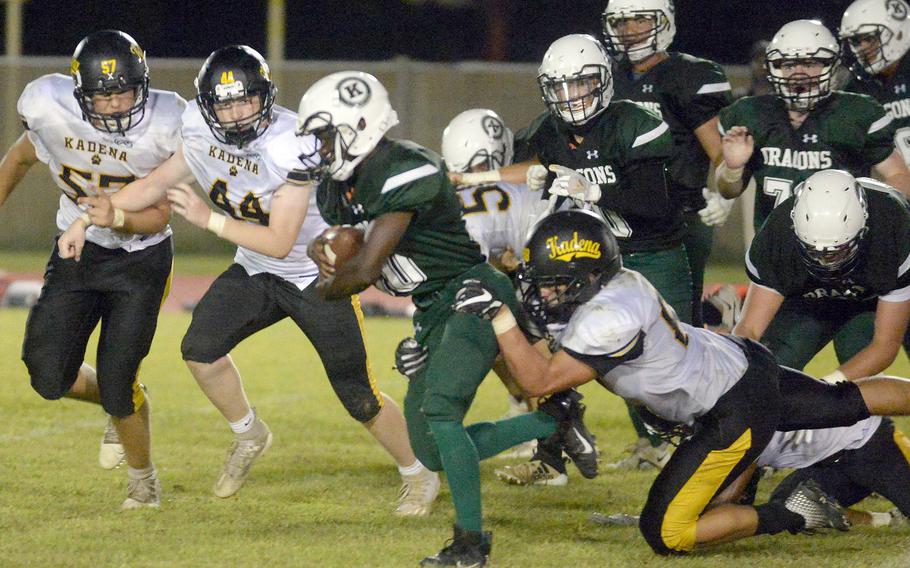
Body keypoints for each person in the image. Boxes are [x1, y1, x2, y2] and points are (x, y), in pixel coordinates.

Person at [57, 46, 439, 516]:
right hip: (255, 270)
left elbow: (280, 241)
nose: (237, 115)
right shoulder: (197, 128)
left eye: (246, 101)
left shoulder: (292, 140)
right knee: (199, 349)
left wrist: (207, 219)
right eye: (225, 104)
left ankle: (417, 474)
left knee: (357, 395)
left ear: (266, 97)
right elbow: (159, 181)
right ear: (207, 107)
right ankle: (249, 432)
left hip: (314, 275)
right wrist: (98, 217)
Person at [452, 207, 910, 555]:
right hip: (738, 366)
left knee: (667, 532)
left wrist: (498, 315)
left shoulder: (611, 315)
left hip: (727, 407)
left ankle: (791, 514)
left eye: (554, 285)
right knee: (841, 401)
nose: (545, 295)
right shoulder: (615, 286)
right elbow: (542, 356)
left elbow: (539, 380)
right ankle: (768, 500)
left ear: (589, 277)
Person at [296, 70, 596, 567]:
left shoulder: (408, 169)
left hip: (471, 293)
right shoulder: (340, 187)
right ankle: (552, 421)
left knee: (441, 412)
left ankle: (470, 544)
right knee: (431, 449)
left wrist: (323, 287)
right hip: (430, 309)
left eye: (327, 134)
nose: (322, 147)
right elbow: (341, 247)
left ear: (359, 127)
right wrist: (320, 249)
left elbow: (366, 268)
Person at [0, 30, 183, 509]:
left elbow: (161, 212)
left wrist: (117, 216)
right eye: (104, 95)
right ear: (80, 95)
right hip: (77, 251)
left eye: (126, 91)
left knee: (119, 380)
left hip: (141, 256)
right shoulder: (48, 108)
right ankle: (118, 396)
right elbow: (19, 158)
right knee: (47, 376)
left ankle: (143, 483)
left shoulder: (168, 123)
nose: (118, 105)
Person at [495, 33, 686, 477]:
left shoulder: (636, 123)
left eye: (580, 84)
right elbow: (525, 190)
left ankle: (682, 443)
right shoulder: (545, 131)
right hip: (588, 266)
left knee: (663, 362)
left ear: (602, 81)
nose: (570, 96)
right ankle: (550, 457)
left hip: (649, 253)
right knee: (554, 351)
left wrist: (595, 189)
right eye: (559, 87)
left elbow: (659, 201)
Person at [604, 0, 735, 330]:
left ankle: (712, 324)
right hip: (616, 213)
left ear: (665, 22)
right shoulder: (608, 76)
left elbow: (721, 153)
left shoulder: (688, 76)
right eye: (621, 22)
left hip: (678, 214)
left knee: (677, 326)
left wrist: (727, 194)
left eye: (639, 20)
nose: (629, 30)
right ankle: (717, 317)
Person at [717, 19, 910, 232]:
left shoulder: (856, 112)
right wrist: (733, 169)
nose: (799, 73)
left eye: (811, 64)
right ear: (775, 67)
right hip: (775, 247)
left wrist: (871, 212)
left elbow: (899, 176)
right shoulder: (751, 113)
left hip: (844, 243)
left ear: (831, 66)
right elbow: (728, 190)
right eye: (789, 64)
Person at [441, 108, 551, 459]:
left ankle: (550, 431)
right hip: (539, 265)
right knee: (503, 342)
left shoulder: (473, 198)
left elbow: (472, 262)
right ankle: (531, 410)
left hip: (544, 273)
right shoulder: (521, 186)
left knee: (526, 344)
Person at [733, 169, 910, 380]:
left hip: (872, 301)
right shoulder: (778, 233)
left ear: (863, 228)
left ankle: (874, 414)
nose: (825, 261)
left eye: (838, 251)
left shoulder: (893, 228)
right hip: (811, 301)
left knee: (859, 379)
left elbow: (884, 347)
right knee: (773, 365)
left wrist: (826, 388)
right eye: (813, 251)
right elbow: (750, 329)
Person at [841, 0, 910, 169]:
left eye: (869, 38)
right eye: (857, 41)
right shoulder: (856, 88)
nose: (863, 48)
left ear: (899, 32)